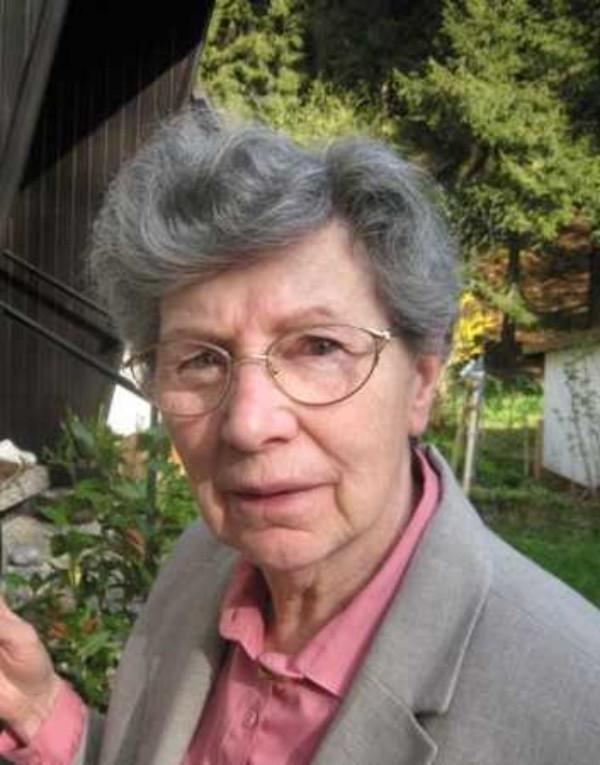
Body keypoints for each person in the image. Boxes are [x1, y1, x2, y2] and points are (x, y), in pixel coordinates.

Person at [0, 107, 599, 765]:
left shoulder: (577, 707)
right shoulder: (200, 563)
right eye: (200, 359)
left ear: (421, 384)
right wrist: (41, 712)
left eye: (318, 347)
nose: (249, 424)